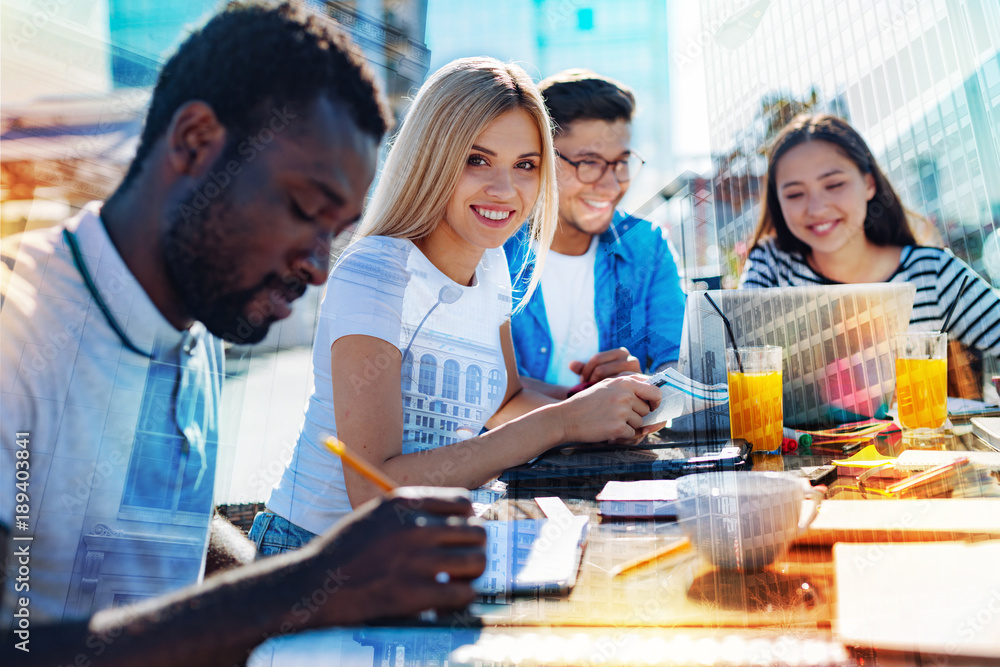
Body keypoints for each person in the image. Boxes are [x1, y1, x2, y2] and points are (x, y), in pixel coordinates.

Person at [0, 5, 486, 666]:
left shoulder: (196, 322)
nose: (317, 267)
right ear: (196, 141)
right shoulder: (17, 328)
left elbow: (166, 541)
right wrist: (310, 583)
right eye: (305, 210)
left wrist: (357, 575)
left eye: (335, 233)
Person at [252, 57, 662, 553]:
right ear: (431, 157)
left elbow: (507, 401)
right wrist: (565, 421)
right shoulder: (377, 272)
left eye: (526, 166)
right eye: (476, 159)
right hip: (317, 556)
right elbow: (375, 487)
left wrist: (604, 405)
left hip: (426, 553)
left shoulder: (493, 265)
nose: (504, 189)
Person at [739, 113, 1000, 356]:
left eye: (834, 184)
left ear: (869, 184)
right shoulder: (772, 265)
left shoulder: (932, 273)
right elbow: (736, 361)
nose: (817, 209)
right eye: (795, 194)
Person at [503, 69, 687, 399]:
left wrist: (647, 385)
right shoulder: (493, 248)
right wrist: (587, 409)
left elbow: (680, 365)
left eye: (621, 162)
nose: (611, 185)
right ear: (540, 157)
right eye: (589, 162)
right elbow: (480, 382)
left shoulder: (647, 246)